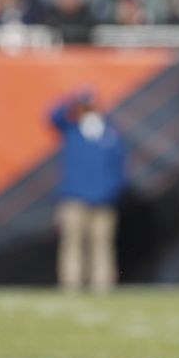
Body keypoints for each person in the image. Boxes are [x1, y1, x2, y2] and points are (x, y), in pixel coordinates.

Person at [49, 90, 128, 292]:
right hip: (74, 200)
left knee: (102, 246)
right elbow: (52, 116)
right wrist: (72, 100)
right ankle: (71, 286)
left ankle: (102, 287)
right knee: (72, 244)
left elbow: (119, 168)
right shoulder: (72, 131)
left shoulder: (110, 135)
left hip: (103, 202)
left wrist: (111, 193)